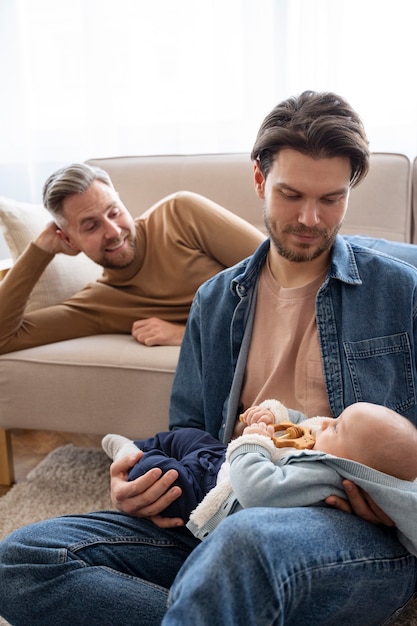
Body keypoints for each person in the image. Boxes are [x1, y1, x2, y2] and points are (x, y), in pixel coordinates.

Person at [1, 90, 417, 626]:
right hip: (224, 507)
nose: (311, 218)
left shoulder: (398, 292)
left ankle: (222, 599)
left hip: (351, 531)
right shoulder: (217, 301)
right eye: (291, 194)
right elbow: (193, 429)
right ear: (260, 182)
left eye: (331, 199)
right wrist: (142, 482)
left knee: (244, 547)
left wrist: (397, 492)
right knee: (25, 560)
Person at [0, 163, 265, 353]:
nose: (113, 232)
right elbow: (4, 338)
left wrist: (185, 334)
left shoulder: (179, 215)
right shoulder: (99, 304)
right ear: (69, 240)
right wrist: (39, 250)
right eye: (91, 226)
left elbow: (282, 271)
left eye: (114, 212)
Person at [102, 400, 417, 551]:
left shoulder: (321, 473)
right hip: (223, 459)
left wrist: (253, 441)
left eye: (336, 427)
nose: (325, 423)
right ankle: (135, 448)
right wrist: (274, 416)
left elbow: (257, 490)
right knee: (187, 436)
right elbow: (302, 423)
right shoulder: (330, 442)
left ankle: (134, 458)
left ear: (352, 466)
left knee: (160, 474)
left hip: (212, 494)